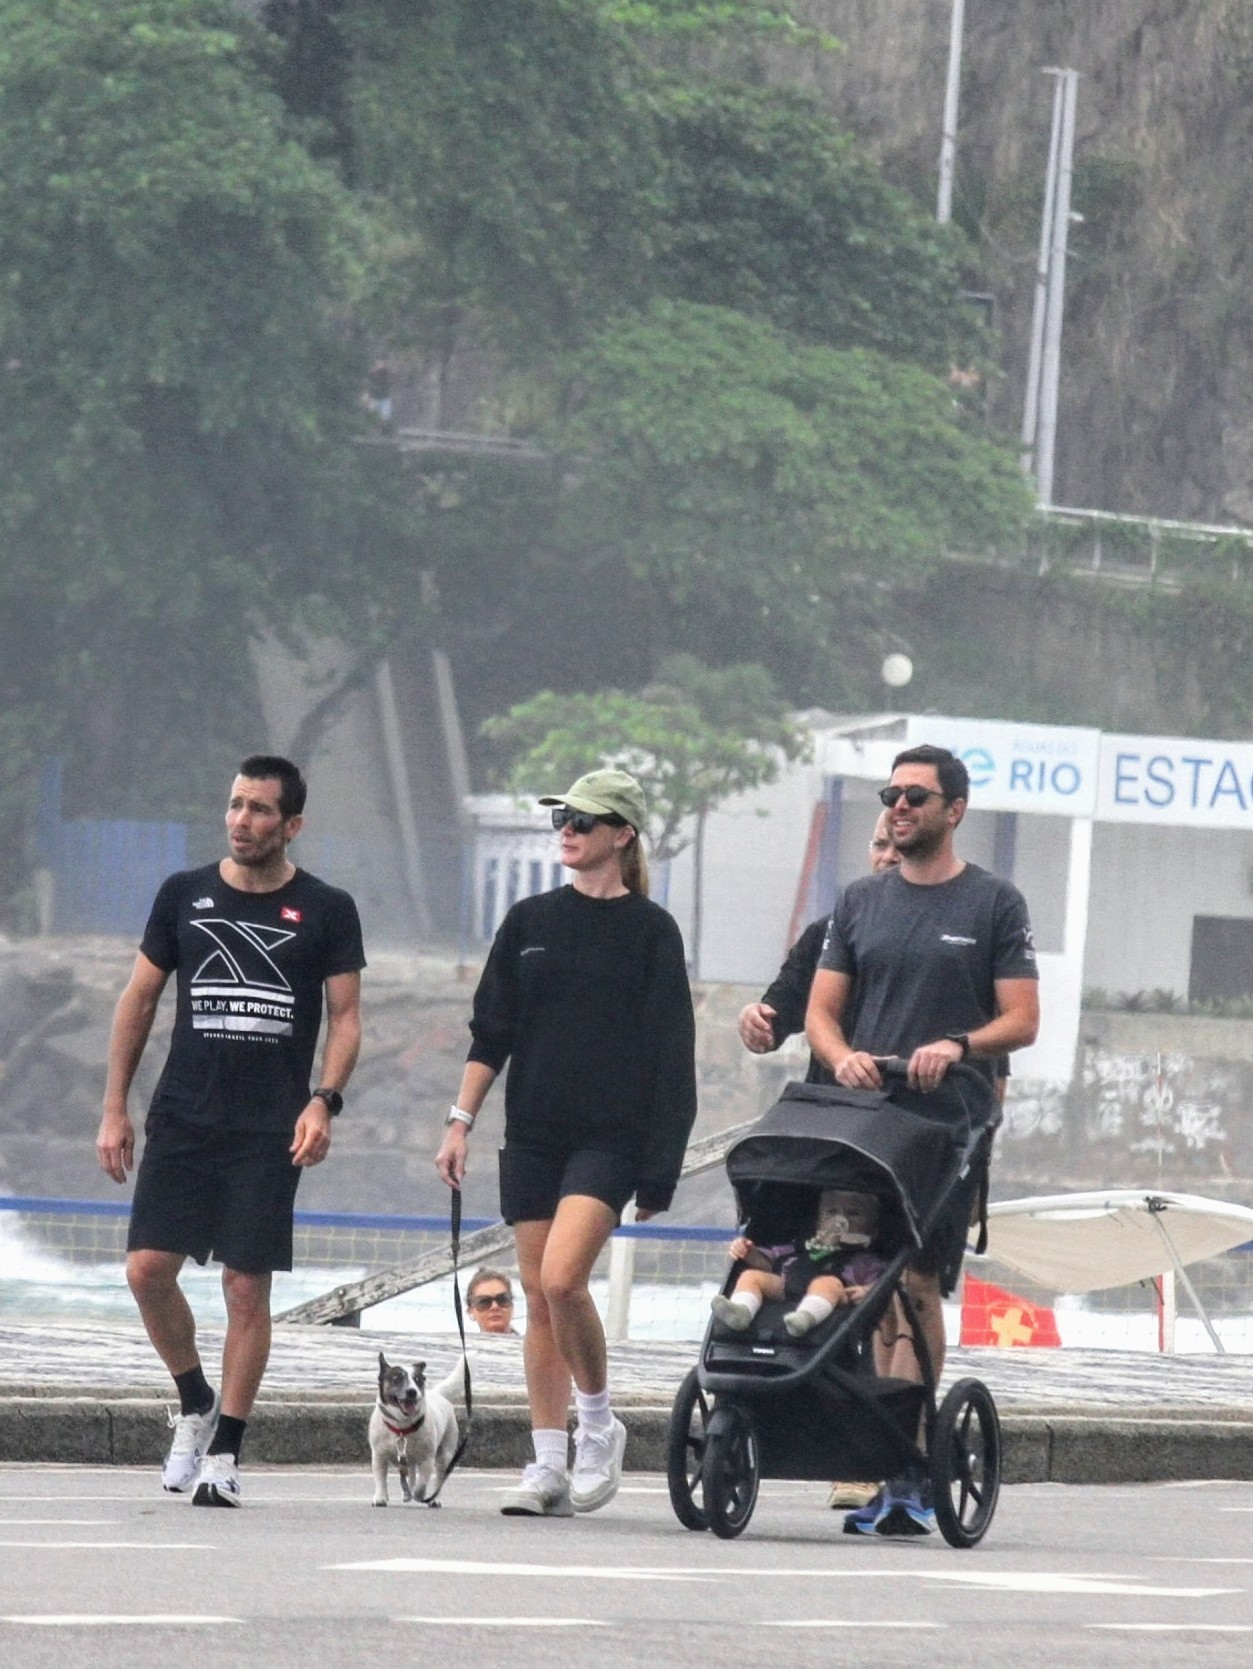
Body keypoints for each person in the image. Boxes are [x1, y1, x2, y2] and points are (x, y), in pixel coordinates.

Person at [95, 755, 365, 1508]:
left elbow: (345, 1018)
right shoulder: (184, 893)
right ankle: (194, 1399)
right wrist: (114, 1105)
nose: (242, 821)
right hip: (183, 1114)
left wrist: (323, 1101)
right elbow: (139, 1000)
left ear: (292, 824)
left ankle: (226, 1450)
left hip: (268, 1128)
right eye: (236, 805)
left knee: (247, 1287)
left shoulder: (327, 907)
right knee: (147, 1268)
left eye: (259, 810)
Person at [435, 767, 697, 1518]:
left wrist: (661, 1168)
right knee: (537, 1299)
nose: (568, 829)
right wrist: (460, 1120)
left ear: (622, 833)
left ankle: (596, 1423)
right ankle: (547, 1461)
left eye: (586, 819)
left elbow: (669, 1054)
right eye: (562, 818)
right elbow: (493, 1033)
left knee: (560, 1280)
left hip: (610, 1137)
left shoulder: (651, 930)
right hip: (534, 1132)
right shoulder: (528, 920)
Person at [805, 743, 1039, 1537]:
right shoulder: (861, 901)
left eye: (914, 796)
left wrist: (960, 1046)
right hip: (864, 1122)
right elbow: (821, 1011)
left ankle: (910, 1458)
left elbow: (1022, 1019)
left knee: (913, 1284)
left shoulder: (993, 904)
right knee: (863, 1288)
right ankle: (881, 1453)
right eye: (890, 794)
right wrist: (839, 1057)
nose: (898, 807)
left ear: (953, 809)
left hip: (945, 1126)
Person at [738, 809, 900, 1078]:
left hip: (911, 1101)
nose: (889, 858)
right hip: (831, 1099)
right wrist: (756, 1021)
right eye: (881, 845)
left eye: (902, 847)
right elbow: (783, 1006)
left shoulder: (950, 936)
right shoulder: (828, 930)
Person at [711, 1189, 887, 1338]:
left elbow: (883, 1283)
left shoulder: (866, 1261)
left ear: (872, 1229)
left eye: (853, 1213)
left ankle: (806, 1317)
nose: (840, 1220)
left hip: (836, 1296)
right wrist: (748, 1252)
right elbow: (768, 1264)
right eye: (832, 1212)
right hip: (787, 1286)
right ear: (819, 1222)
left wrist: (867, 1291)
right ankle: (742, 1311)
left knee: (826, 1283)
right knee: (751, 1276)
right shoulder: (799, 1246)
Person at [466, 1266, 520, 1335]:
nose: (495, 1306)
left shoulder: (533, 1344)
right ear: (470, 1312)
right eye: (484, 1302)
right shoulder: (460, 1344)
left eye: (502, 1300)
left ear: (512, 1306)